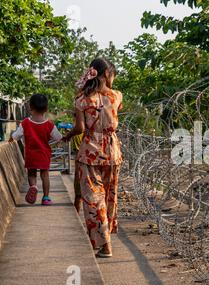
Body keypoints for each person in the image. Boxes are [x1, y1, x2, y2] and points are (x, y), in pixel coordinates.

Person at [63, 58, 123, 258]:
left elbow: (80, 128)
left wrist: (67, 136)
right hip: (112, 152)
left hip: (90, 152)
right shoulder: (117, 96)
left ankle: (105, 245)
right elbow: (113, 112)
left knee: (94, 200)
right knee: (108, 198)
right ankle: (106, 243)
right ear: (107, 74)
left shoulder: (82, 100)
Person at [9, 94, 62, 205]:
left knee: (32, 174)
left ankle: (33, 186)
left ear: (30, 107)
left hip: (30, 155)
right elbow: (58, 137)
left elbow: (15, 136)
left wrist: (11, 138)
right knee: (45, 175)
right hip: (44, 154)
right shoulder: (49, 125)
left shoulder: (25, 123)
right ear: (46, 109)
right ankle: (46, 197)